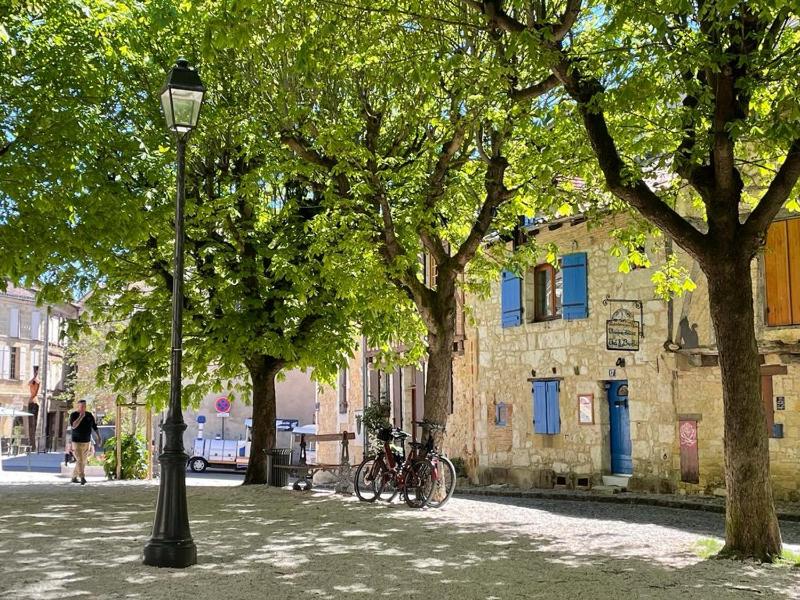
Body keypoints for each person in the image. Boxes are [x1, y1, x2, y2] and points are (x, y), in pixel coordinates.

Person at [69, 399, 101, 485]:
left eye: (85, 406)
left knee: (83, 461)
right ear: (78, 406)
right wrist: (81, 417)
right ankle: (82, 477)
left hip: (87, 442)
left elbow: (94, 426)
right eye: (82, 406)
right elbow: (74, 426)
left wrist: (99, 437)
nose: (83, 408)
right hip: (76, 442)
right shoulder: (74, 415)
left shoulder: (89, 415)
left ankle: (74, 477)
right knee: (79, 460)